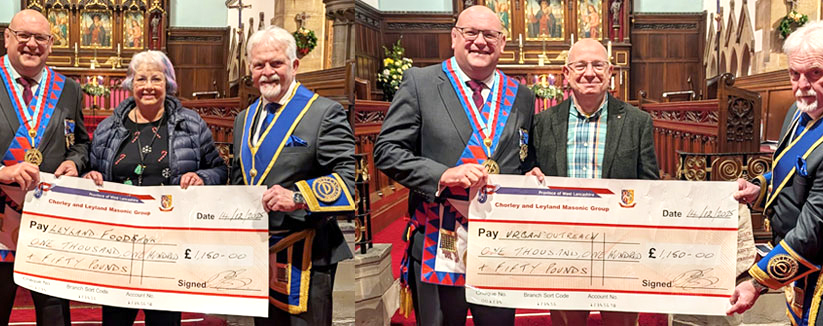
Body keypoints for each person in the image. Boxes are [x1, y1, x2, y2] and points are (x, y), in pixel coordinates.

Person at [373, 5, 535, 326]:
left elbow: (525, 157)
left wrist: (533, 172)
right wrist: (442, 174)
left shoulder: (522, 95)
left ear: (502, 43)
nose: (480, 41)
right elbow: (387, 151)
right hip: (438, 239)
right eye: (470, 33)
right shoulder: (421, 82)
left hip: (498, 245)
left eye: (490, 34)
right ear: (454, 37)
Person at [728, 21, 823, 325]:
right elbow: (798, 173)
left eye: (814, 73)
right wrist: (761, 189)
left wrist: (757, 282)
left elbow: (817, 228)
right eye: (794, 74)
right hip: (808, 265)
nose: (801, 85)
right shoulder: (804, 110)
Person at [0, 9, 90, 326]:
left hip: (50, 223)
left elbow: (82, 143)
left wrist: (74, 161)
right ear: (7, 37)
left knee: (54, 313)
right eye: (23, 36)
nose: (32, 44)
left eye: (40, 37)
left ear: (51, 43)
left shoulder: (68, 89)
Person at [81, 50, 226, 326]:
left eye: (156, 79)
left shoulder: (191, 125)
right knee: (115, 319)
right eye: (141, 79)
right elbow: (91, 170)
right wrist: (89, 177)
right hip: (119, 246)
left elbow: (219, 169)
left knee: (164, 321)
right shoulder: (107, 128)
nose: (148, 86)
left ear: (168, 83)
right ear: (130, 84)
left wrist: (202, 177)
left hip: (169, 245)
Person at [226, 26, 357, 326]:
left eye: (276, 63)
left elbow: (347, 184)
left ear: (295, 65)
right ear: (250, 69)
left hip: (309, 252)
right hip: (259, 252)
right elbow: (238, 179)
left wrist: (298, 197)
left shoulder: (324, 113)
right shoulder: (243, 119)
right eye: (259, 65)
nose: (267, 72)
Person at [525, 39, 657, 325]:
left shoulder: (637, 122)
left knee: (619, 321)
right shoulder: (542, 122)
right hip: (562, 247)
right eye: (580, 66)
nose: (589, 73)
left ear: (610, 72)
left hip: (620, 246)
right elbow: (528, 170)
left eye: (598, 65)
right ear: (566, 74)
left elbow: (650, 184)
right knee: (567, 320)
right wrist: (529, 176)